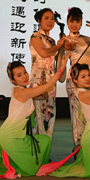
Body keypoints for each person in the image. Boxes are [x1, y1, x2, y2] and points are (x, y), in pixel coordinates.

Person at [0, 55, 68, 178]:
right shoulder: (22, 92)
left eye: (25, 72)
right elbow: (48, 87)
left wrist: (40, 87)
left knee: (44, 140)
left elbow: (43, 96)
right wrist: (62, 66)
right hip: (11, 137)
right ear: (13, 80)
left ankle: (0, 167)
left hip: (11, 134)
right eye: (19, 75)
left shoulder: (22, 91)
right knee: (34, 157)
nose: (25, 76)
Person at [62, 7, 90, 148]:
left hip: (89, 78)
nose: (74, 24)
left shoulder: (86, 39)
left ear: (82, 23)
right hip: (74, 79)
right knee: (77, 115)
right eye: (72, 21)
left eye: (77, 22)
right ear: (67, 22)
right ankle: (78, 147)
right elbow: (67, 49)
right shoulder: (65, 39)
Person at [28, 8, 65, 139]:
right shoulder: (35, 36)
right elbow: (43, 53)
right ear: (39, 20)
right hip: (38, 80)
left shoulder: (52, 41)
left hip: (50, 81)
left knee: (49, 114)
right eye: (46, 18)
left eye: (52, 19)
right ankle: (37, 146)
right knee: (38, 114)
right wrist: (59, 46)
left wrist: (61, 45)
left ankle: (46, 145)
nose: (50, 21)